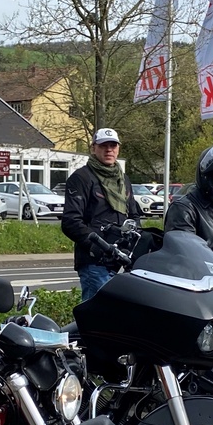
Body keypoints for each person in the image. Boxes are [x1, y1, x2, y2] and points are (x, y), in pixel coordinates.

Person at [61, 128, 141, 300]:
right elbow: (70, 221)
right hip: (94, 262)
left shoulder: (123, 179)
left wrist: (135, 242)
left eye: (113, 145)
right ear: (93, 148)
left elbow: (134, 216)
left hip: (121, 260)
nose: (109, 150)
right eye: (104, 145)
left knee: (116, 319)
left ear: (118, 148)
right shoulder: (81, 178)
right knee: (97, 319)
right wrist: (96, 246)